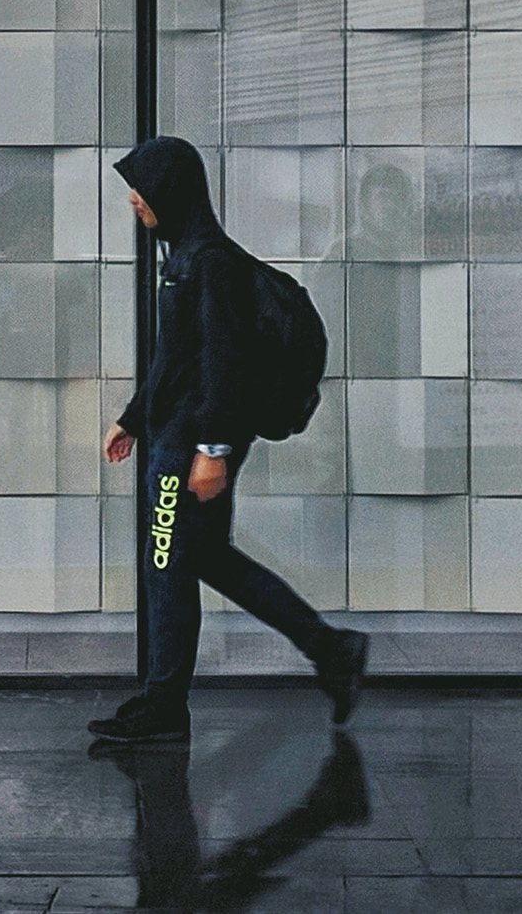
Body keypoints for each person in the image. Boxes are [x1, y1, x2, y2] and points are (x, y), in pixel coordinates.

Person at [89, 136, 370, 745]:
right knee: (202, 557)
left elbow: (223, 361)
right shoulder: (185, 255)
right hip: (175, 433)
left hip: (191, 442)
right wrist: (134, 418)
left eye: (143, 187)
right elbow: (176, 358)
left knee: (166, 564)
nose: (135, 199)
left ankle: (164, 709)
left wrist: (212, 451)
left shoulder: (210, 261)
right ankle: (331, 648)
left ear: (172, 189)